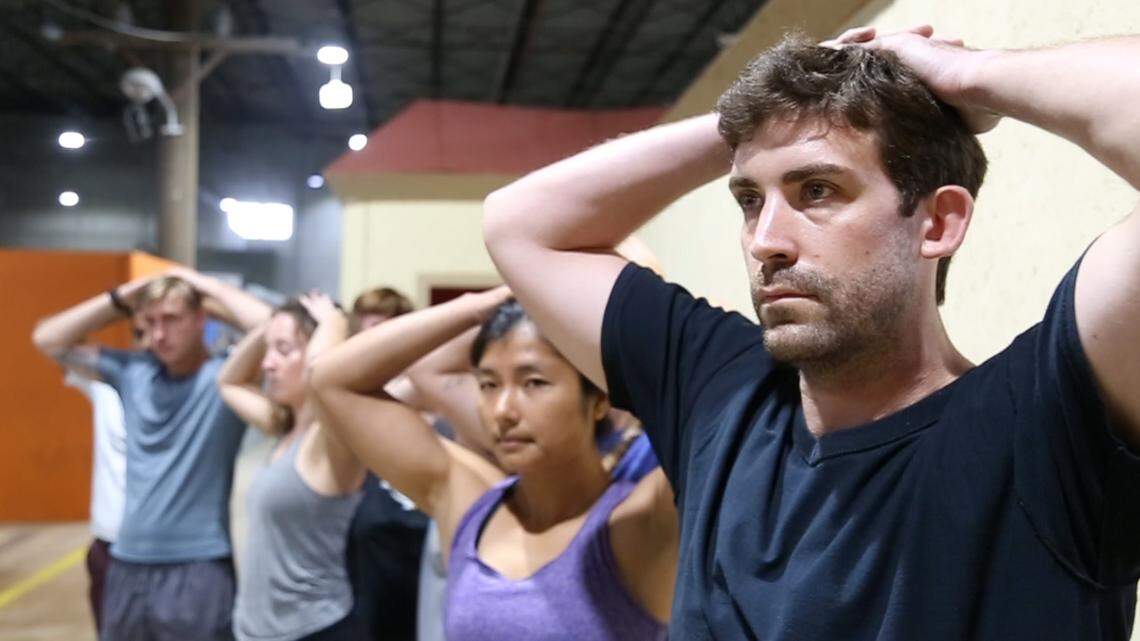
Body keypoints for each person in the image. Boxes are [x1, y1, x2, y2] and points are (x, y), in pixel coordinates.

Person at [483, 25, 1140, 639]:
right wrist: (763, 119)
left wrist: (970, 75)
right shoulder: (722, 394)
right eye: (749, 200)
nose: (765, 240)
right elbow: (519, 224)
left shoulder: (1047, 424)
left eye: (817, 190)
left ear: (937, 223)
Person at [309, 288, 677, 640]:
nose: (503, 411)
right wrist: (483, 304)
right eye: (488, 385)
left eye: (533, 383)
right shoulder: (470, 505)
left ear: (598, 398)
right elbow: (331, 381)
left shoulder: (640, 520)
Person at [32, 267, 270, 641]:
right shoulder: (132, 372)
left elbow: (274, 327)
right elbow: (48, 339)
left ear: (199, 318)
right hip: (127, 563)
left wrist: (205, 287)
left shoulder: (226, 377)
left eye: (172, 319)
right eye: (151, 321)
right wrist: (124, 297)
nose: (159, 334)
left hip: (199, 567)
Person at [217, 293, 365, 641]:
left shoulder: (332, 439)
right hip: (256, 629)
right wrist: (272, 324)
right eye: (269, 351)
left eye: (283, 351)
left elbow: (323, 376)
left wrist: (334, 322)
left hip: (312, 629)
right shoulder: (283, 427)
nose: (267, 364)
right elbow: (229, 381)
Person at [342, 285, 433, 641]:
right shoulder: (349, 404)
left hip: (423, 573)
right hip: (367, 581)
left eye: (382, 336)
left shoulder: (433, 396)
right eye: (365, 338)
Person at [51, 318, 146, 633]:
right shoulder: (106, 384)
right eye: (144, 330)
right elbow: (53, 343)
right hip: (111, 544)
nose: (155, 339)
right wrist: (116, 302)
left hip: (169, 549)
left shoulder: (197, 389)